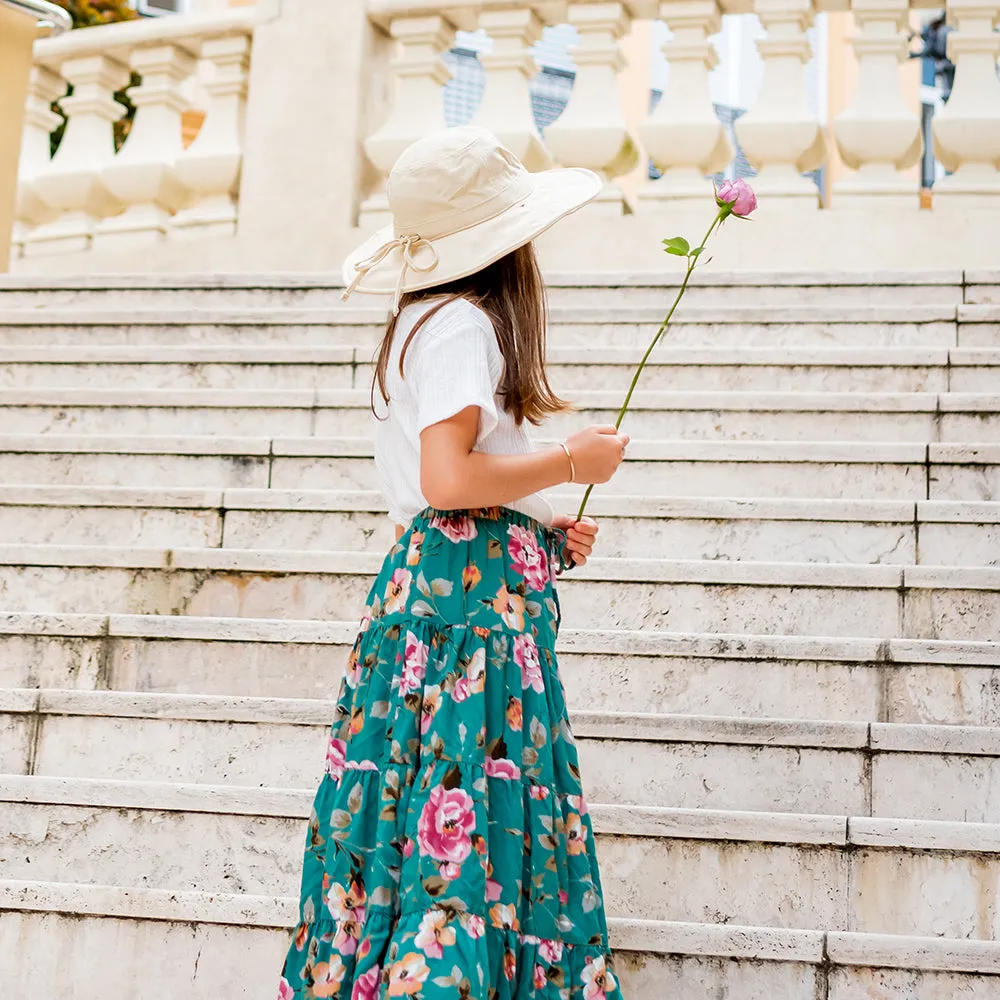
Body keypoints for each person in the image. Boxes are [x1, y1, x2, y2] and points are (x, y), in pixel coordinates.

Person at [276, 126, 630, 1000]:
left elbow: (451, 475)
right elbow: (447, 478)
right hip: (467, 607)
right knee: (465, 812)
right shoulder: (466, 325)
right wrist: (571, 465)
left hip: (442, 590)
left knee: (412, 817)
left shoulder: (420, 322)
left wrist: (541, 520)